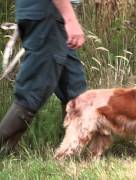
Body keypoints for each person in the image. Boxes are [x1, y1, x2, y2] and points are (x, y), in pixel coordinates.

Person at [0, 0, 87, 153]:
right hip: (48, 15)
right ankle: (5, 149)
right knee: (33, 91)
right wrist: (70, 19)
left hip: (50, 16)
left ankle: (72, 150)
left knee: (74, 89)